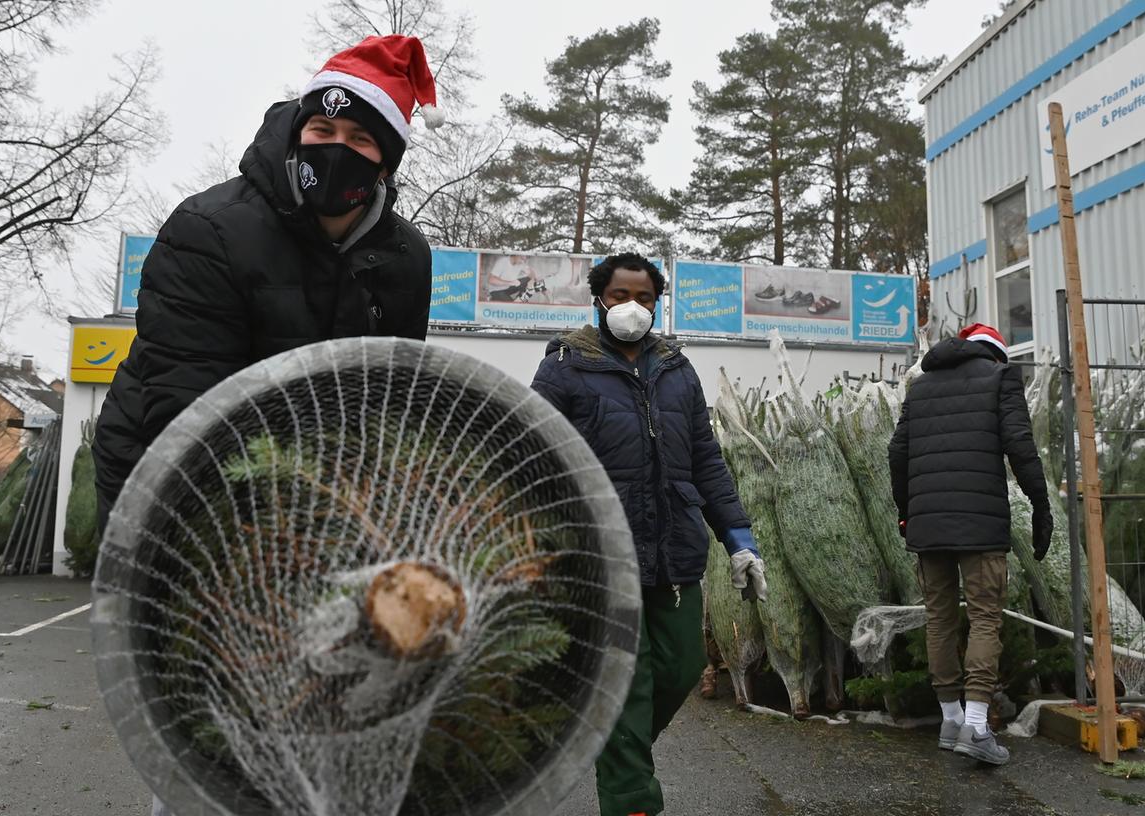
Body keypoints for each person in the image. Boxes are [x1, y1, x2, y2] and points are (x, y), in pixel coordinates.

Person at [93, 34, 444, 534]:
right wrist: (286, 519)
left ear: (385, 162)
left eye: (360, 138)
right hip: (162, 472)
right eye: (323, 129)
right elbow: (188, 401)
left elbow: (391, 399)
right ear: (299, 133)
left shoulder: (407, 256)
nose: (336, 148)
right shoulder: (210, 228)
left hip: (306, 483)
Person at [530, 252, 767, 816]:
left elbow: (705, 460)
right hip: (601, 550)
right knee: (626, 680)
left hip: (674, 547)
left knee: (682, 665)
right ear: (598, 299)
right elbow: (533, 452)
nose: (632, 307)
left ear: (657, 304)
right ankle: (633, 800)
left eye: (644, 297)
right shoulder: (565, 366)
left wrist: (739, 538)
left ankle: (612, 743)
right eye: (619, 295)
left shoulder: (676, 369)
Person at [889, 322, 1052, 766]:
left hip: (926, 524)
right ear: (995, 355)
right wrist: (1040, 504)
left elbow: (897, 452)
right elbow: (1020, 444)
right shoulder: (1000, 378)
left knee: (939, 618)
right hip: (980, 525)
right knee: (984, 617)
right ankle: (977, 726)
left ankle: (950, 719)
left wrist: (907, 511)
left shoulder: (919, 388)